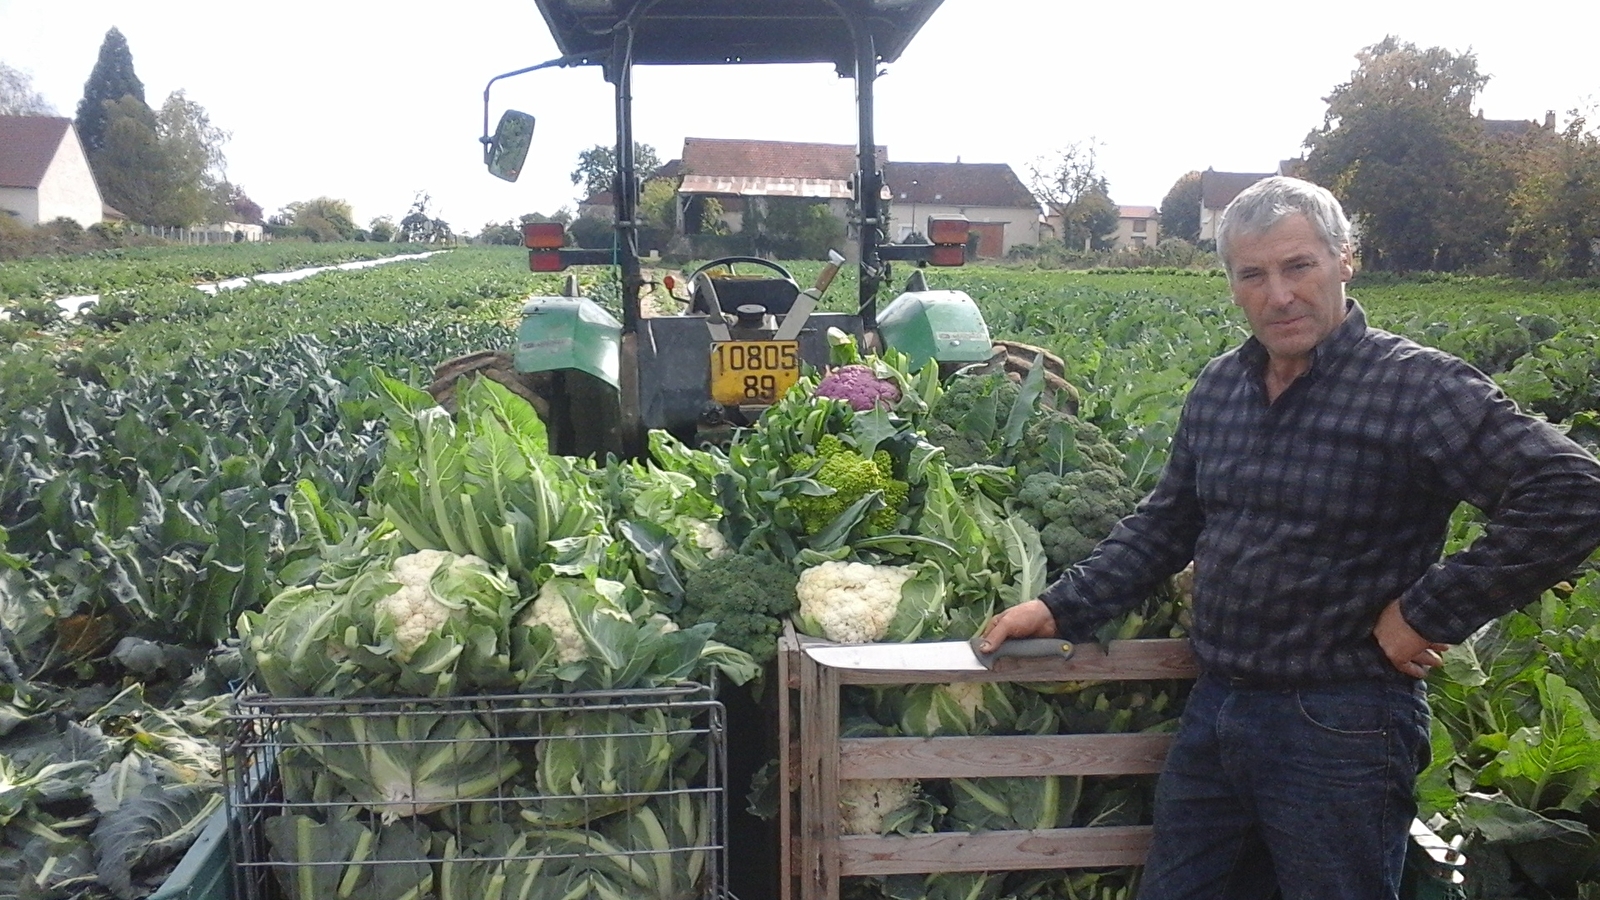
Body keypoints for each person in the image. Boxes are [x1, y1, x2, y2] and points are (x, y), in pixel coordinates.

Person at [978, 176, 1600, 900]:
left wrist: (1431, 612)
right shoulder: (1221, 387)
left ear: (1345, 261)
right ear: (1233, 285)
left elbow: (1571, 493)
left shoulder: (1417, 388)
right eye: (1254, 274)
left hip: (1341, 720)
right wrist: (1059, 607)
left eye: (1298, 266)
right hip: (1218, 708)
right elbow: (1168, 521)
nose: (1279, 295)